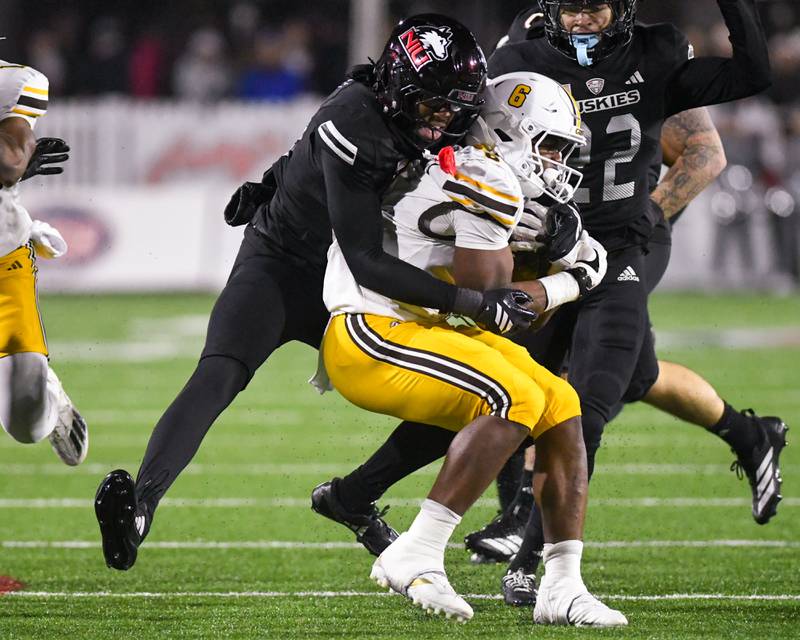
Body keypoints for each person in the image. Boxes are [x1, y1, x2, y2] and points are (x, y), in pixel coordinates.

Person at [311, 0, 787, 609]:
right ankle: (458, 535)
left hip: (608, 239)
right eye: (572, 8)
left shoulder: (653, 54)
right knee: (553, 381)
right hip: (472, 270)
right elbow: (488, 282)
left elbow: (711, 136)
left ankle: (542, 565)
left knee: (572, 392)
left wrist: (631, 229)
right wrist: (528, 241)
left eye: (596, 7)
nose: (583, 20)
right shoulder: (494, 124)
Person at [93, 14, 537, 572]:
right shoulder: (357, 123)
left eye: (453, 107)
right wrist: (472, 302)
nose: (442, 119)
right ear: (398, 85)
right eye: (430, 104)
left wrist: (268, 182)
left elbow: (301, 152)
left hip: (349, 268)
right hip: (296, 266)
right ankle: (140, 507)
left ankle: (356, 498)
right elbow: (367, 260)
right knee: (220, 372)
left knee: (469, 385)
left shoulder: (428, 109)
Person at [315, 70, 626, 625]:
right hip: (372, 329)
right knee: (513, 398)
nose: (557, 161)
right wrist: (563, 275)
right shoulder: (481, 177)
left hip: (427, 326)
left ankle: (563, 582)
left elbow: (588, 258)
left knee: (560, 403)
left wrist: (562, 248)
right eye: (550, 145)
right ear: (507, 132)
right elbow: (500, 305)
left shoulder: (493, 173)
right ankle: (420, 548)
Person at [0, 60, 87, 466]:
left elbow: (11, 157)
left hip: (2, 260)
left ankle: (49, 400)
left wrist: (15, 165)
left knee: (25, 421)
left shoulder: (13, 81)